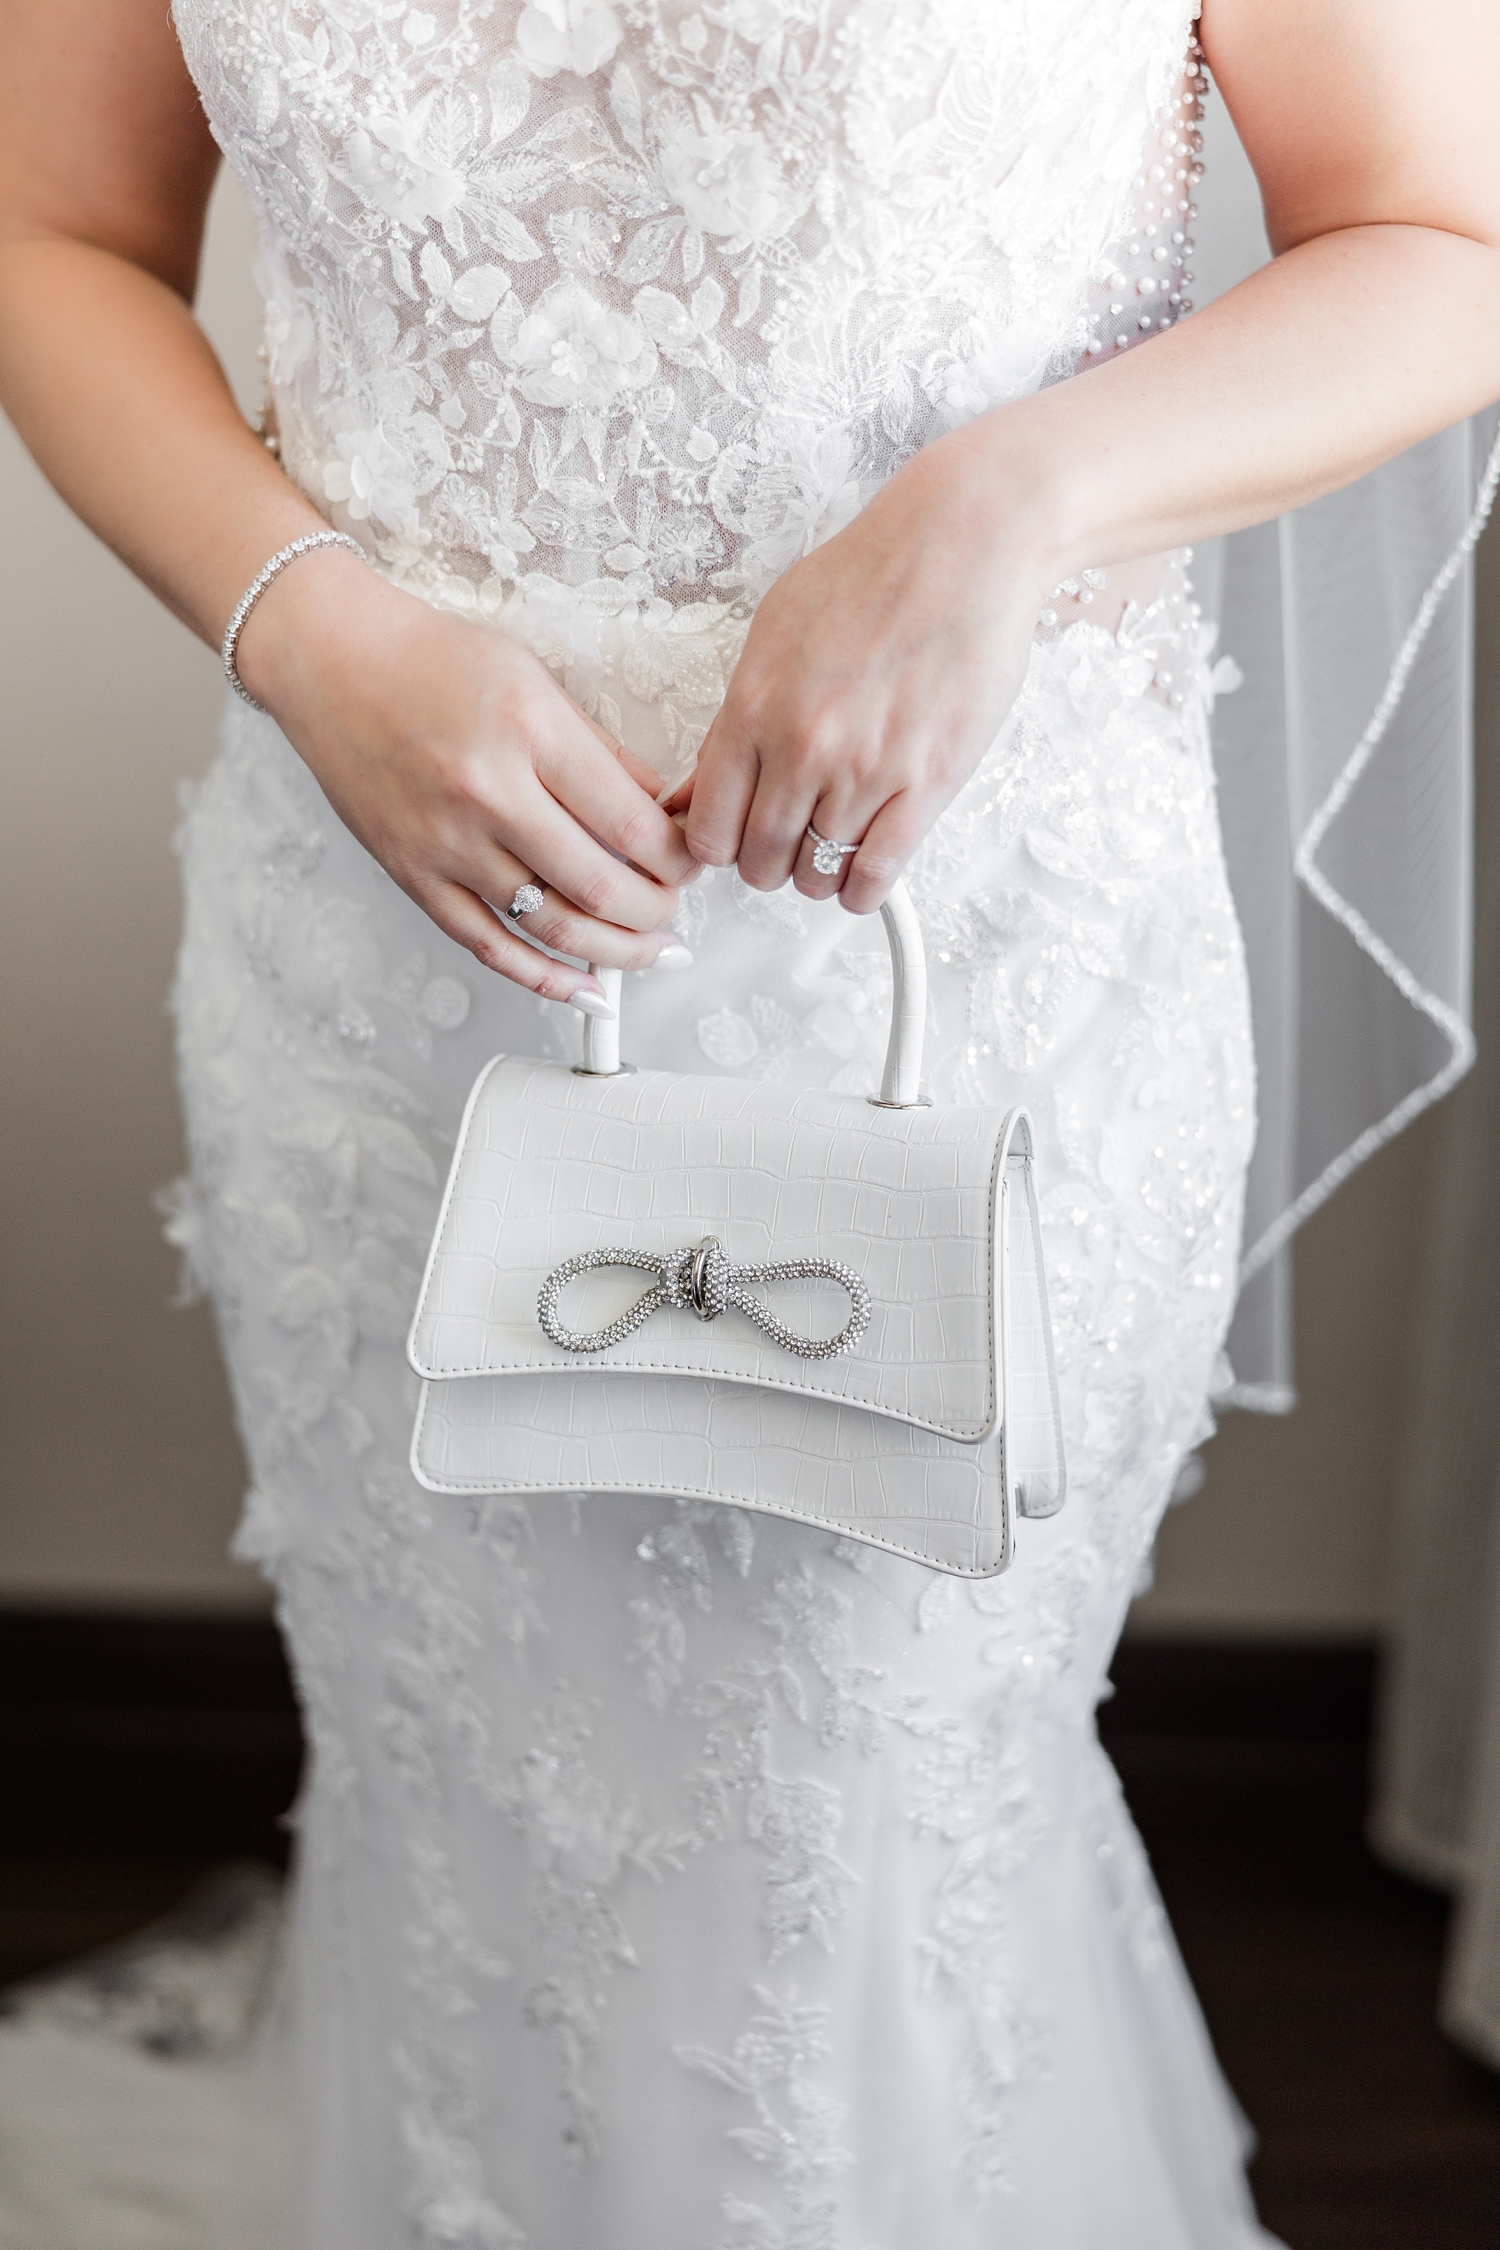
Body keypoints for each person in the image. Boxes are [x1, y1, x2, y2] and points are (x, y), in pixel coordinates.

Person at [2, 1, 1498, 2242]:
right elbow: (53, 227)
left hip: (968, 967)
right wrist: (305, 628)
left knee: (856, 1842)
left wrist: (1014, 497)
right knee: (469, 1817)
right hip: (380, 994)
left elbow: (1445, 232)